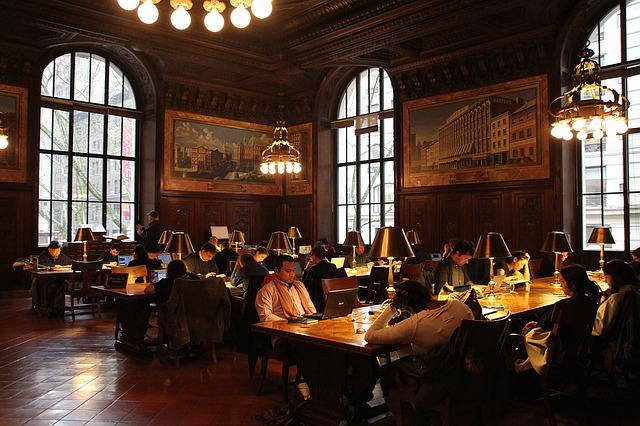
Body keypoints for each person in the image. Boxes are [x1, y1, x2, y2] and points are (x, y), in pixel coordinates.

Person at [364, 280, 473, 422]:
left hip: (439, 377)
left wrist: (392, 307)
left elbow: (370, 336)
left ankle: (404, 419)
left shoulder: (416, 323)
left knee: (387, 372)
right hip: (467, 374)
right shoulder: (461, 307)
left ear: (407, 306)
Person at [521, 264, 600, 335]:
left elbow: (549, 327)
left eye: (562, 282)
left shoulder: (563, 305)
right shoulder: (591, 302)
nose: (561, 285)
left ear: (571, 283)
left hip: (557, 349)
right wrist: (539, 324)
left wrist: (529, 330)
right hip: (577, 346)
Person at [255, 255, 316, 322]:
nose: (292, 274)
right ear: (276, 271)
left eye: (293, 270)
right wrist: (289, 322)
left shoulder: (300, 285)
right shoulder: (267, 290)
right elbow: (266, 316)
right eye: (288, 271)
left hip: (306, 324)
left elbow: (311, 308)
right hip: (283, 328)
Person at [592, 260, 639, 337]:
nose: (605, 280)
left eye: (606, 277)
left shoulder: (616, 298)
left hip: (612, 343)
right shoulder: (634, 291)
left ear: (616, 277)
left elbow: (599, 328)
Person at [31, 240, 73, 312]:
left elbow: (70, 263)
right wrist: (54, 266)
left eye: (58, 250)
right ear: (49, 250)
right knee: (36, 282)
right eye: (55, 251)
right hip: (45, 279)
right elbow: (43, 265)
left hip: (59, 278)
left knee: (61, 284)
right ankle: (41, 305)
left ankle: (57, 307)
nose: (57, 253)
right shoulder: (44, 255)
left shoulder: (62, 256)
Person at [302, 246, 347, 311]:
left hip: (318, 302)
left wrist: (306, 269)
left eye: (311, 256)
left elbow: (304, 286)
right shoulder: (333, 266)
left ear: (314, 256)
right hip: (334, 300)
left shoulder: (314, 269)